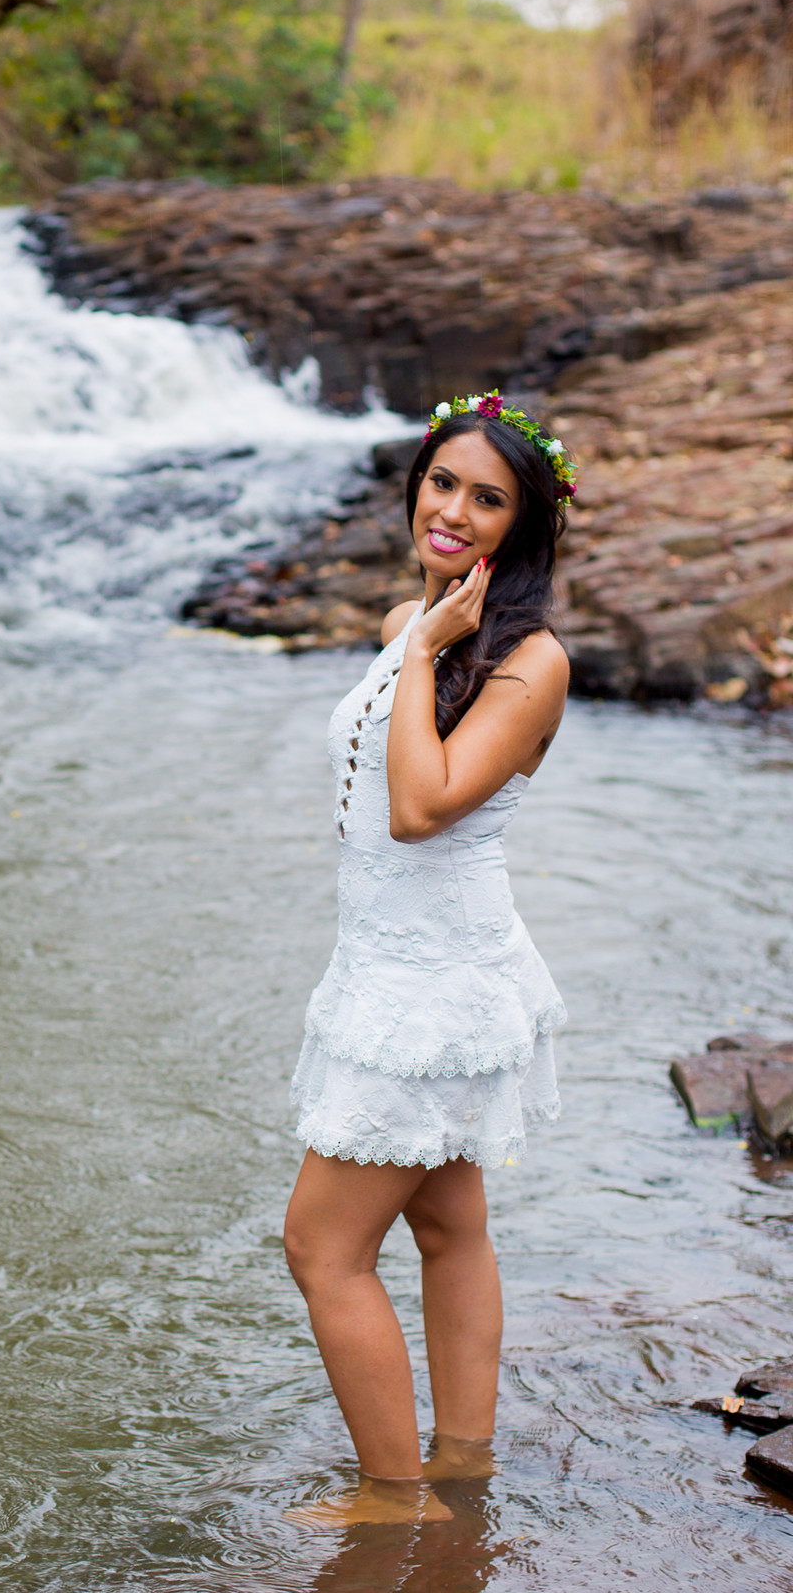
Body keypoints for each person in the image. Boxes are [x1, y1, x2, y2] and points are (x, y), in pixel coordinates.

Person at [283, 392, 576, 1529]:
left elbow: (421, 807)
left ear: (523, 526)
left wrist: (423, 650)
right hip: (389, 963)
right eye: (442, 482)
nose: (452, 510)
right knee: (449, 1228)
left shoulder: (528, 659)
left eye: (487, 498)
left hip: (436, 989)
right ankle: (461, 1464)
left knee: (320, 1245)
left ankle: (393, 1498)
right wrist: (421, 639)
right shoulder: (427, 620)